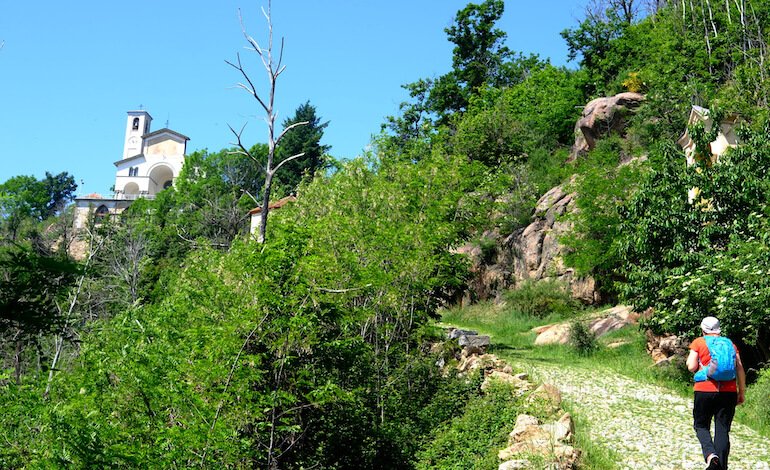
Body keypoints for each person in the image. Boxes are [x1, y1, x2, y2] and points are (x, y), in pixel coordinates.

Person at [686, 316, 746, 470]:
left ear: (703, 329)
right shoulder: (730, 344)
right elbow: (739, 368)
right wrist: (741, 392)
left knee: (701, 425)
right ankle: (721, 467)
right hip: (729, 392)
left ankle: (711, 455)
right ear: (719, 329)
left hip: (704, 390)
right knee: (722, 429)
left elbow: (691, 366)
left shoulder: (699, 342)